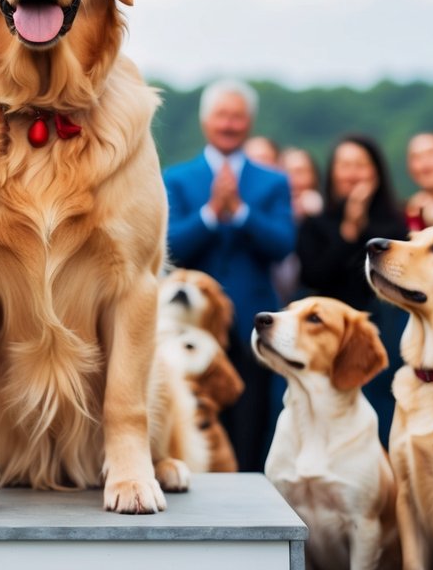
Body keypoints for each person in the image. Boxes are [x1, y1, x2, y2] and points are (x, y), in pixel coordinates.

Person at [163, 79, 295, 471]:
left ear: (249, 122)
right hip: (192, 326)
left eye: (237, 116)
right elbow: (169, 245)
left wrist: (239, 212)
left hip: (252, 320)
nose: (229, 124)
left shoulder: (273, 181)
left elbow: (282, 243)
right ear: (206, 121)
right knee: (190, 415)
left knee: (251, 420)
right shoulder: (178, 178)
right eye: (222, 115)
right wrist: (208, 214)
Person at [295, 134, 406, 444]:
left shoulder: (394, 226)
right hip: (324, 337)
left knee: (378, 411)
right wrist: (349, 231)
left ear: (377, 173)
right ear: (332, 172)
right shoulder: (315, 224)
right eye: (345, 165)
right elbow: (315, 275)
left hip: (379, 334)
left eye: (361, 165)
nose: (353, 173)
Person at [272, 147, 323, 302]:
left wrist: (316, 217)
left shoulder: (325, 215)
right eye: (286, 171)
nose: (293, 180)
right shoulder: (269, 216)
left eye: (301, 172)